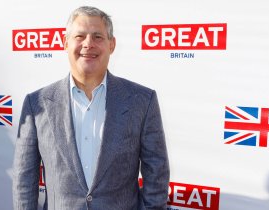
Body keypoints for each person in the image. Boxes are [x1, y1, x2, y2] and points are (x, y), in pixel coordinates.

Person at [13, 6, 170, 210]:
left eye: (98, 36)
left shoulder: (142, 101)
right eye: (80, 36)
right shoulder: (37, 104)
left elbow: (156, 174)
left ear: (111, 45)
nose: (88, 44)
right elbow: (24, 181)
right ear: (65, 42)